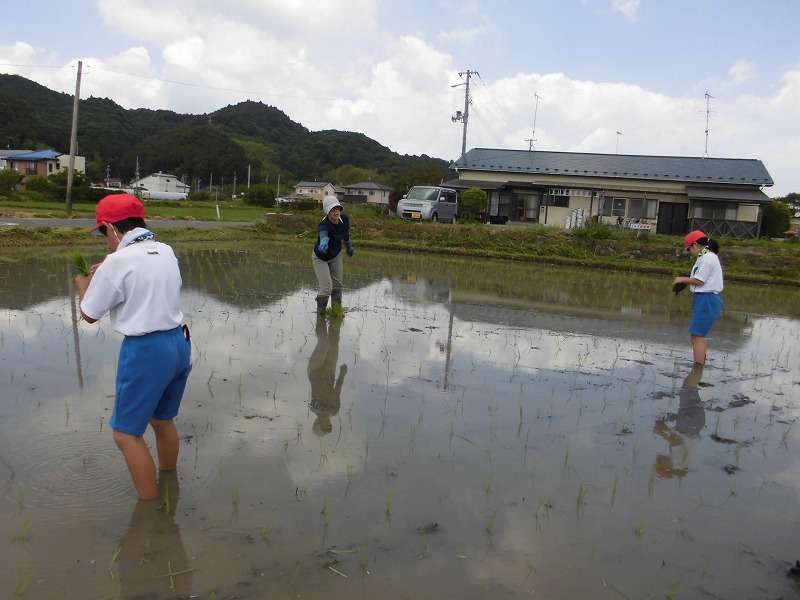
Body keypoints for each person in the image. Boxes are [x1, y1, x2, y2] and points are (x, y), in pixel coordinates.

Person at [74, 193, 192, 500]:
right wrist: (109, 269)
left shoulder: (117, 262)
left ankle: (150, 510)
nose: (104, 240)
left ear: (110, 227)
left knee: (126, 434)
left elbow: (89, 314)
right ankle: (170, 485)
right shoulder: (165, 250)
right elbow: (145, 277)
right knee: (162, 419)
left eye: (103, 233)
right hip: (179, 343)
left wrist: (83, 284)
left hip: (147, 351)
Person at [672, 230, 723, 365]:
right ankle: (700, 367)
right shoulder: (706, 257)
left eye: (689, 250)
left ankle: (697, 370)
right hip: (704, 299)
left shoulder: (707, 258)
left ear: (695, 245)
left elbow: (700, 281)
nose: (690, 253)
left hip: (706, 299)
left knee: (697, 337)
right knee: (699, 336)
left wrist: (681, 279)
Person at [312, 195, 353, 314]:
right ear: (327, 212)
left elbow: (344, 232)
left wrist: (348, 245)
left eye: (337, 208)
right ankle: (321, 316)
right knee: (326, 288)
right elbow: (323, 232)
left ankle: (336, 312)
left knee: (337, 285)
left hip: (335, 255)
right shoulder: (324, 224)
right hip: (321, 257)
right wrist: (324, 240)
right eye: (332, 210)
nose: (335, 211)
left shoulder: (344, 219)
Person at [307, 316, 347, 436]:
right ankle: (335, 315)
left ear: (317, 422)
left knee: (324, 341)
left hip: (314, 370)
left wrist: (327, 409)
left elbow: (322, 407)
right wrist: (342, 374)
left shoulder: (314, 407)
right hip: (330, 372)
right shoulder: (334, 410)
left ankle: (321, 314)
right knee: (335, 340)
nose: (327, 423)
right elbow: (337, 390)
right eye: (328, 425)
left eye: (324, 425)